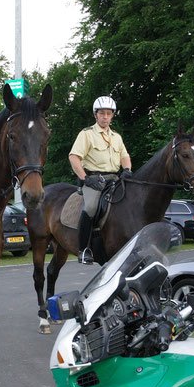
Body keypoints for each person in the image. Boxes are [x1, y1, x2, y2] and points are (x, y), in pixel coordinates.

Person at [68, 96, 132, 264]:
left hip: (115, 179)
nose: (105, 117)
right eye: (102, 113)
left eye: (108, 113)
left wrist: (127, 170)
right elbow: (74, 157)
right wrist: (85, 178)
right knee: (90, 207)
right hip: (94, 180)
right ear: (96, 115)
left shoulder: (116, 137)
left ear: (112, 116)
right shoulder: (87, 134)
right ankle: (84, 249)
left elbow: (124, 156)